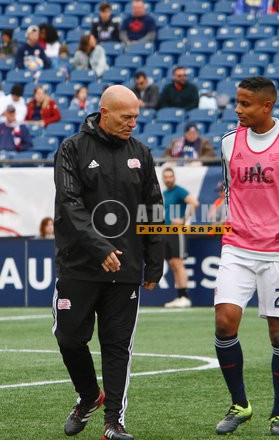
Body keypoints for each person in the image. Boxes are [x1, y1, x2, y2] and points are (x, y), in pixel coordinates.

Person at [53, 84, 164, 440]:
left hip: (126, 269)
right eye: (126, 117)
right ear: (105, 113)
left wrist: (155, 260)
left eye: (136, 117)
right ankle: (89, 396)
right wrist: (100, 248)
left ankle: (114, 422)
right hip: (79, 265)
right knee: (69, 338)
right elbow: (70, 205)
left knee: (117, 347)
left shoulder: (141, 153)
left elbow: (153, 208)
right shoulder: (72, 149)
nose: (133, 123)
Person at [213, 76, 279, 437]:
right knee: (224, 322)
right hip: (237, 246)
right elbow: (230, 191)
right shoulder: (228, 142)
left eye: (245, 104)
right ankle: (240, 405)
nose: (238, 109)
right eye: (237, 102)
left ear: (266, 106)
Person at [161, 167, 199, 308]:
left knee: (178, 263)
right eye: (166, 177)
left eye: (170, 176)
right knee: (172, 263)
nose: (168, 179)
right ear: (163, 179)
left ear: (174, 177)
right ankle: (180, 296)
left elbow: (195, 203)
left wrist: (183, 219)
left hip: (177, 231)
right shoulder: (165, 193)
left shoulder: (179, 191)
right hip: (167, 232)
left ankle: (185, 297)